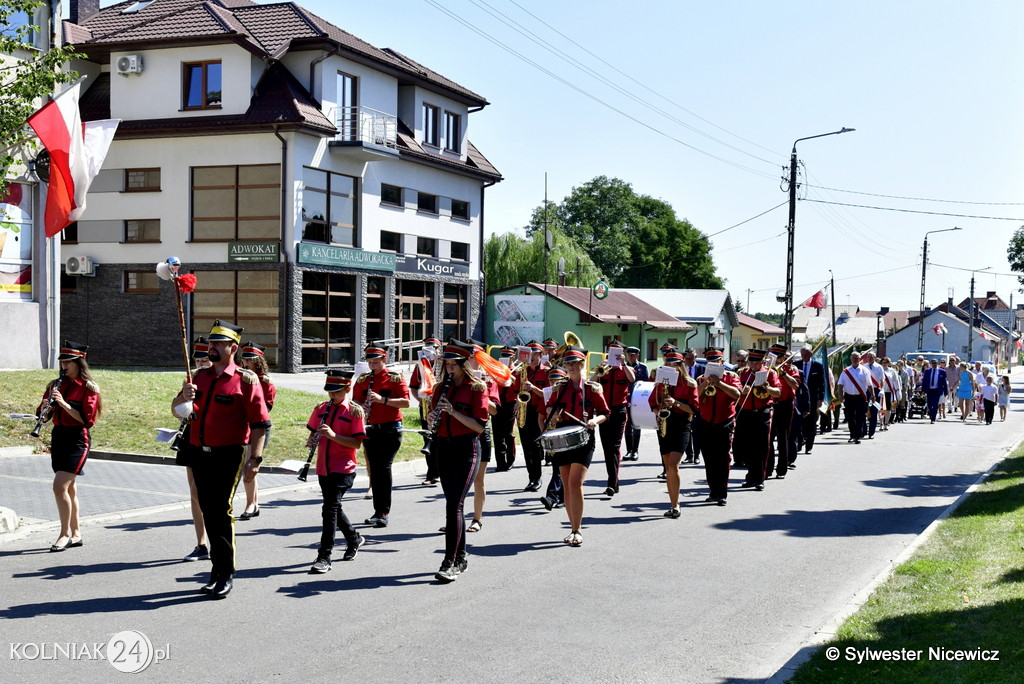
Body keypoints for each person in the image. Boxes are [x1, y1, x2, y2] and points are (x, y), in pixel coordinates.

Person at [172, 320, 270, 599]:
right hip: (197, 450)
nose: (211, 347)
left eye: (218, 344)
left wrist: (256, 458)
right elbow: (177, 411)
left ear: (233, 348)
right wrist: (183, 397)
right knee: (207, 508)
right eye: (211, 343)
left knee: (221, 510)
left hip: (229, 453)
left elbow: (261, 423)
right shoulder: (198, 377)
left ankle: (224, 572)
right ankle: (216, 571)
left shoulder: (245, 380)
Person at [429, 340, 489, 582]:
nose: (450, 368)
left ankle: (449, 561)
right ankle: (461, 556)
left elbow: (478, 427)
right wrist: (435, 415)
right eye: (447, 364)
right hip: (444, 447)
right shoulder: (439, 387)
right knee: (454, 505)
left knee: (454, 505)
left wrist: (453, 411)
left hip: (467, 449)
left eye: (455, 364)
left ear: (465, 364)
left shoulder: (477, 388)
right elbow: (433, 414)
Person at [543, 346, 608, 546]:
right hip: (563, 439)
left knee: (574, 484)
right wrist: (552, 414)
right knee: (567, 487)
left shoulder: (592, 388)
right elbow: (548, 407)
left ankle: (577, 530)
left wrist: (594, 421)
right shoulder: (559, 388)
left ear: (582, 365)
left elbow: (606, 413)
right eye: (568, 363)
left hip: (584, 438)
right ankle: (573, 528)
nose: (571, 367)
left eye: (574, 364)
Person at [41, 341, 101, 552]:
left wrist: (64, 404)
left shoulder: (88, 388)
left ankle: (64, 534)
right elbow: (44, 415)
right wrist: (48, 407)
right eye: (62, 362)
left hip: (77, 439)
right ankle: (76, 534)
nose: (64, 366)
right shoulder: (54, 385)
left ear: (79, 363)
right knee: (70, 488)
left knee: (59, 486)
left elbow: (87, 420)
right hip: (59, 437)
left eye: (68, 362)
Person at [307, 369, 366, 574]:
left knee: (329, 509)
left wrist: (332, 435)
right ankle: (354, 538)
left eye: (336, 392)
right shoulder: (321, 408)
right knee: (334, 507)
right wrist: (312, 439)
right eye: (329, 391)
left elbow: (357, 443)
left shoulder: (355, 411)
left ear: (347, 389)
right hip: (324, 467)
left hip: (343, 469)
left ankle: (324, 556)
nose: (331, 395)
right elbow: (314, 432)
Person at [353, 345, 411, 528]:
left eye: (376, 362)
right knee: (375, 470)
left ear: (384, 359)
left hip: (390, 429)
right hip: (370, 428)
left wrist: (382, 400)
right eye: (370, 362)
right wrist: (359, 407)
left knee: (383, 468)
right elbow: (355, 401)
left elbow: (406, 402)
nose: (372, 365)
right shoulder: (363, 379)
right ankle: (378, 511)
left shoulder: (395, 377)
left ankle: (383, 512)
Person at [650, 350, 698, 516]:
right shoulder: (660, 384)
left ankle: (676, 505)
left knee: (673, 465)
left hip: (682, 425)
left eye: (675, 365)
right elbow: (652, 404)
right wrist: (657, 412)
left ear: (681, 366)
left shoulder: (689, 384)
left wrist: (676, 403)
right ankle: (672, 503)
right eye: (668, 364)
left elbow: (693, 409)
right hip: (665, 424)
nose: (671, 368)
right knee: (668, 466)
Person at [178, 337, 211, 562]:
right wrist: (183, 397)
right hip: (191, 437)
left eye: (204, 359)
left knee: (211, 495)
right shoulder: (192, 380)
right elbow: (177, 409)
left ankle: (218, 539)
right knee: (194, 492)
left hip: (216, 440)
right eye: (197, 360)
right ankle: (201, 543)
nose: (200, 364)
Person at [696, 348, 740, 506]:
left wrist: (719, 383)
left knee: (722, 459)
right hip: (706, 422)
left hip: (725, 422)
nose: (714, 364)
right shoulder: (701, 379)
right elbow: (696, 397)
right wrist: (706, 383)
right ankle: (713, 490)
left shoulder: (731, 377)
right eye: (711, 362)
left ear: (722, 362)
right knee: (709, 459)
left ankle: (721, 493)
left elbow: (737, 394)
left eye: (716, 362)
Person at [592, 341, 635, 497]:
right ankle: (613, 481)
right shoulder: (604, 368)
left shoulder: (625, 369)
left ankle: (612, 483)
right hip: (603, 412)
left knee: (615, 447)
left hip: (619, 411)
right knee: (606, 447)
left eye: (617, 352)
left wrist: (622, 364)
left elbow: (631, 379)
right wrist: (600, 369)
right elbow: (591, 382)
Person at [734, 348, 781, 491]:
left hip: (762, 411)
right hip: (745, 412)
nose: (753, 366)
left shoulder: (769, 373)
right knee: (746, 446)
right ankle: (750, 476)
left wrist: (768, 388)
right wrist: (743, 391)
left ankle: (760, 478)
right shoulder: (742, 373)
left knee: (761, 446)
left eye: (756, 363)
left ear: (762, 362)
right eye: (751, 363)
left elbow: (778, 392)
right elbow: (735, 393)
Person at [466, 340, 500, 533]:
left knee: (479, 480)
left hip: (480, 431)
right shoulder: (457, 378)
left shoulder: (488, 380)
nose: (469, 360)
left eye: (472, 357)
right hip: (459, 431)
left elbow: (494, 411)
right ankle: (454, 518)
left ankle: (477, 518)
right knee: (458, 480)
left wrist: (481, 393)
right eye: (468, 357)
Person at [238, 341, 275, 520]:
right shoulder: (241, 377)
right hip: (239, 427)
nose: (246, 364)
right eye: (244, 360)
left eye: (250, 361)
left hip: (256, 428)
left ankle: (250, 504)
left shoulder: (265, 381)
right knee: (246, 466)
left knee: (249, 466)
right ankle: (254, 503)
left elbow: (265, 409)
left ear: (258, 362)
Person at [516, 341, 549, 492]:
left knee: (535, 445)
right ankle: (531, 478)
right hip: (524, 409)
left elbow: (548, 395)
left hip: (537, 410)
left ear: (540, 356)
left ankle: (537, 478)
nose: (531, 356)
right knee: (526, 446)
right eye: (529, 353)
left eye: (534, 353)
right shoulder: (521, 370)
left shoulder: (547, 372)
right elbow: (514, 391)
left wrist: (533, 388)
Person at [409, 337, 441, 485]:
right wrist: (421, 400)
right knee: (428, 441)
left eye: (433, 347)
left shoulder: (444, 364)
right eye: (427, 347)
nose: (430, 350)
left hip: (442, 408)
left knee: (441, 442)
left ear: (438, 349)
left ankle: (440, 472)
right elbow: (414, 387)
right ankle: (431, 474)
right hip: (426, 408)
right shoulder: (420, 366)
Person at [766, 343, 798, 480]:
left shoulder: (790, 368)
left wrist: (784, 374)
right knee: (769, 438)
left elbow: (795, 385)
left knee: (783, 438)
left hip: (785, 405)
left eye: (779, 356)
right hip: (772, 404)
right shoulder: (768, 369)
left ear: (784, 356)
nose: (777, 359)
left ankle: (781, 469)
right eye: (775, 356)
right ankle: (768, 469)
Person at [538, 366, 567, 511]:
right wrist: (544, 434)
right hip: (551, 436)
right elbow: (540, 417)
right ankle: (561, 498)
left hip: (565, 435)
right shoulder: (547, 395)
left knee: (559, 468)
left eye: (557, 380)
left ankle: (551, 497)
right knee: (558, 467)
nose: (553, 383)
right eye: (551, 380)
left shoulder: (566, 393)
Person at [792, 344, 825, 457]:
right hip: (799, 399)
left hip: (813, 399)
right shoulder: (796, 365)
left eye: (806, 354)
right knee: (799, 423)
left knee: (811, 423)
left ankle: (809, 446)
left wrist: (821, 398)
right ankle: (799, 443)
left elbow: (822, 384)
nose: (804, 357)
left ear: (811, 354)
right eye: (802, 355)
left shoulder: (818, 366)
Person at [492, 346, 519, 472]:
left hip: (510, 403)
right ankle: (500, 462)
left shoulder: (518, 371)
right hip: (497, 402)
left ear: (513, 358)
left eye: (507, 358)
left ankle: (510, 459)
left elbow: (520, 388)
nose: (505, 360)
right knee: (497, 435)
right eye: (503, 357)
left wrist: (511, 377)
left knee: (508, 433)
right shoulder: (497, 370)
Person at [837, 351, 871, 444]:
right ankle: (852, 435)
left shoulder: (865, 371)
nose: (855, 359)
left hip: (861, 397)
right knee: (850, 417)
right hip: (849, 397)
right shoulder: (845, 371)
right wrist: (840, 395)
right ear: (851, 359)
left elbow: (869, 384)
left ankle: (858, 436)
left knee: (860, 416)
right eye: (853, 358)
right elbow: (840, 384)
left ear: (860, 359)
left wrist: (873, 395)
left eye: (857, 358)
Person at [622, 345, 649, 462]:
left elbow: (646, 383)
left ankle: (635, 451)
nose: (631, 357)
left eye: (633, 355)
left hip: (637, 399)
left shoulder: (642, 367)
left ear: (637, 355)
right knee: (627, 426)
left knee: (636, 425)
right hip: (625, 398)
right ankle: (629, 450)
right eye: (629, 355)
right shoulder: (624, 366)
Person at [681, 348, 704, 464]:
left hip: (698, 404)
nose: (689, 361)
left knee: (697, 431)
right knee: (686, 430)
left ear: (695, 357)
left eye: (691, 358)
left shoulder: (702, 368)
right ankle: (689, 455)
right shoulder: (681, 369)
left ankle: (697, 455)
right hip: (684, 404)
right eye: (687, 359)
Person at [921, 358, 948, 424]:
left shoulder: (942, 371)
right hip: (929, 390)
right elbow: (924, 381)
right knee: (929, 404)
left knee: (935, 404)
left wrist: (945, 391)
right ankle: (931, 413)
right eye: (933, 363)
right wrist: (923, 390)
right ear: (931, 364)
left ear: (937, 363)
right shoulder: (927, 371)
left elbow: (944, 382)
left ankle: (933, 418)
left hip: (937, 390)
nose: (934, 364)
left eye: (935, 363)